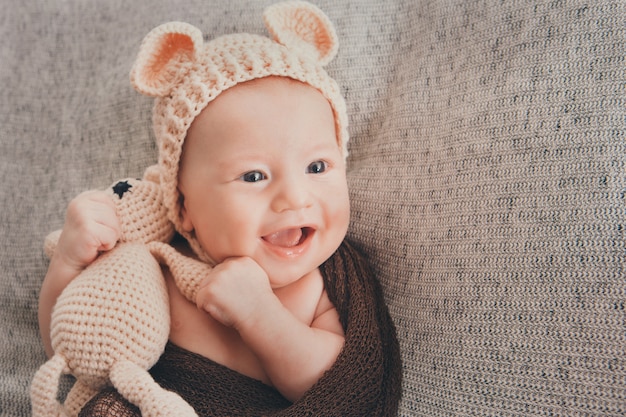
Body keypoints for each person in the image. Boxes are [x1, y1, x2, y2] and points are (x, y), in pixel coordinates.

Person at [39, 2, 401, 415]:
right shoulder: (158, 269)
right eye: (253, 176)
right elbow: (73, 347)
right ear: (185, 205)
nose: (295, 199)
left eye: (317, 167)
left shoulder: (321, 287)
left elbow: (339, 386)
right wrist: (68, 260)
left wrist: (259, 313)